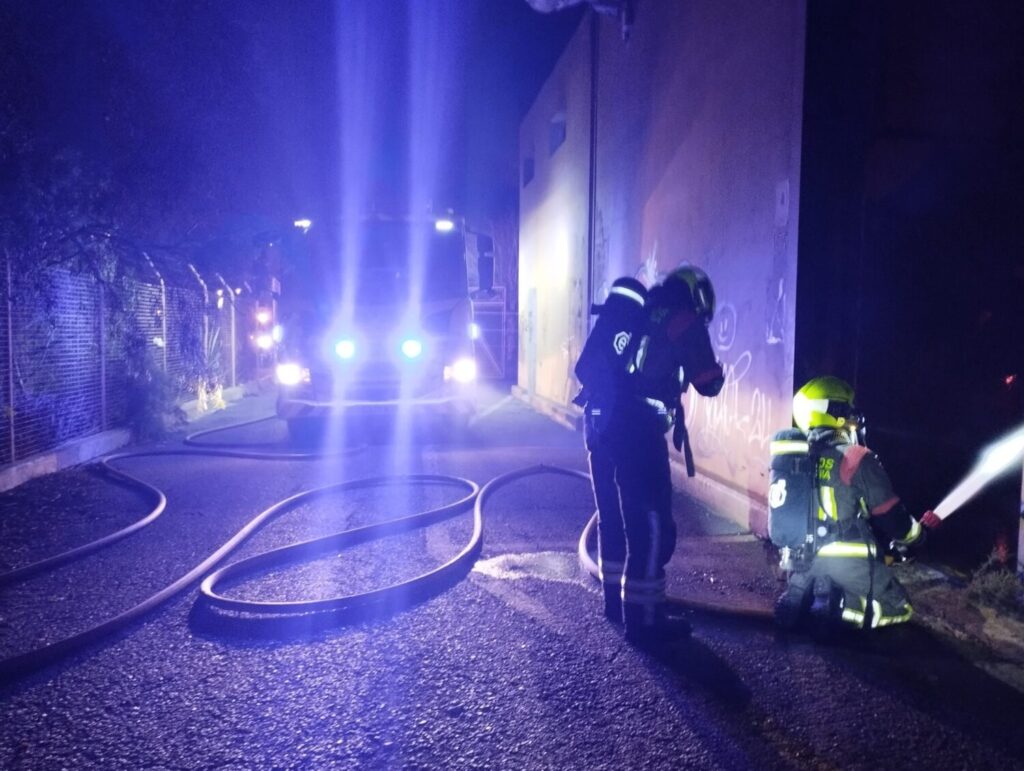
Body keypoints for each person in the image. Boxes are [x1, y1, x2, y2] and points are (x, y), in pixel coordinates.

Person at [575, 268, 724, 649]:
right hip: (637, 434)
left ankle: (615, 604)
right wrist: (714, 372)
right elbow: (707, 382)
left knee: (611, 519)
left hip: (599, 423)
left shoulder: (639, 312)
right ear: (697, 297)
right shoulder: (683, 320)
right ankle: (645, 621)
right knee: (651, 527)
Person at [770, 376, 926, 634]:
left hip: (801, 561)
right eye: (848, 409)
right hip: (845, 560)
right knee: (899, 607)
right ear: (835, 412)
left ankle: (801, 594)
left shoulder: (797, 457)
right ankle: (840, 606)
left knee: (806, 588)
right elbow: (890, 516)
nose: (853, 417)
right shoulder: (856, 457)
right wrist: (917, 535)